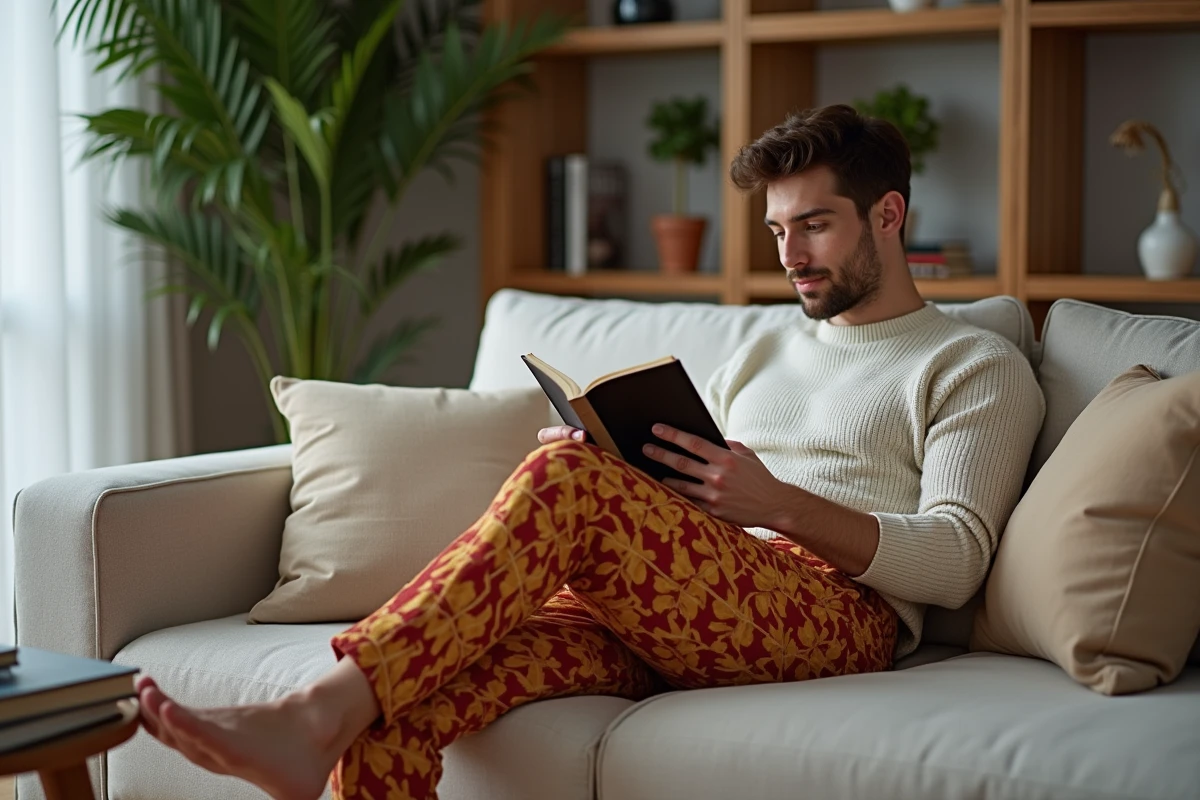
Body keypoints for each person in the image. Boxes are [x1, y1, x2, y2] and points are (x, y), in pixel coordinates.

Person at [133, 104, 1044, 800]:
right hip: (680, 602)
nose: (790, 254)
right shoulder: (768, 345)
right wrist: (619, 466)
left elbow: (957, 559)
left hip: (836, 618)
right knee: (412, 698)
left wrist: (776, 504)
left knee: (567, 483)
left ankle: (314, 705)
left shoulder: (972, 364)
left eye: (814, 225)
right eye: (776, 231)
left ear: (888, 215)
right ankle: (342, 713)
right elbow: (691, 495)